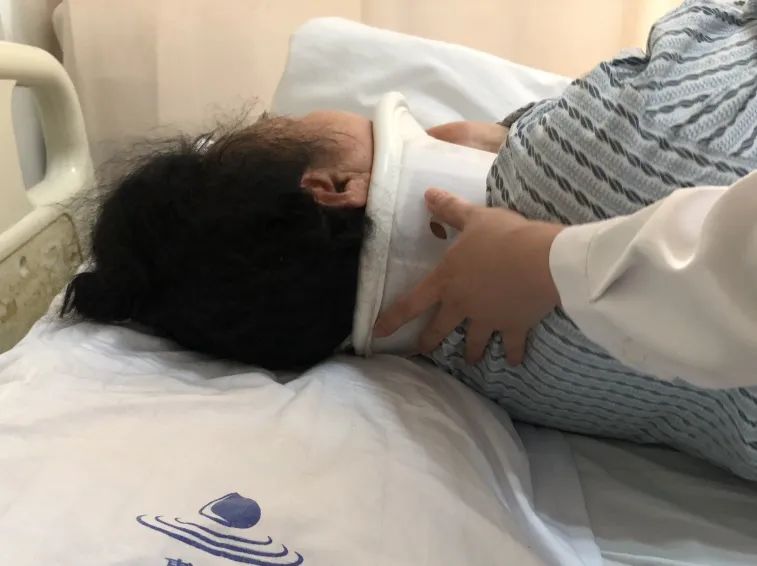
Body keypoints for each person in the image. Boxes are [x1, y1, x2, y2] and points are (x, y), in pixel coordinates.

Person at [65, 0, 757, 478]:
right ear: (331, 185)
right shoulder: (602, 134)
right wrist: (544, 141)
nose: (295, 111)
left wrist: (518, 130)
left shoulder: (490, 376)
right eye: (267, 123)